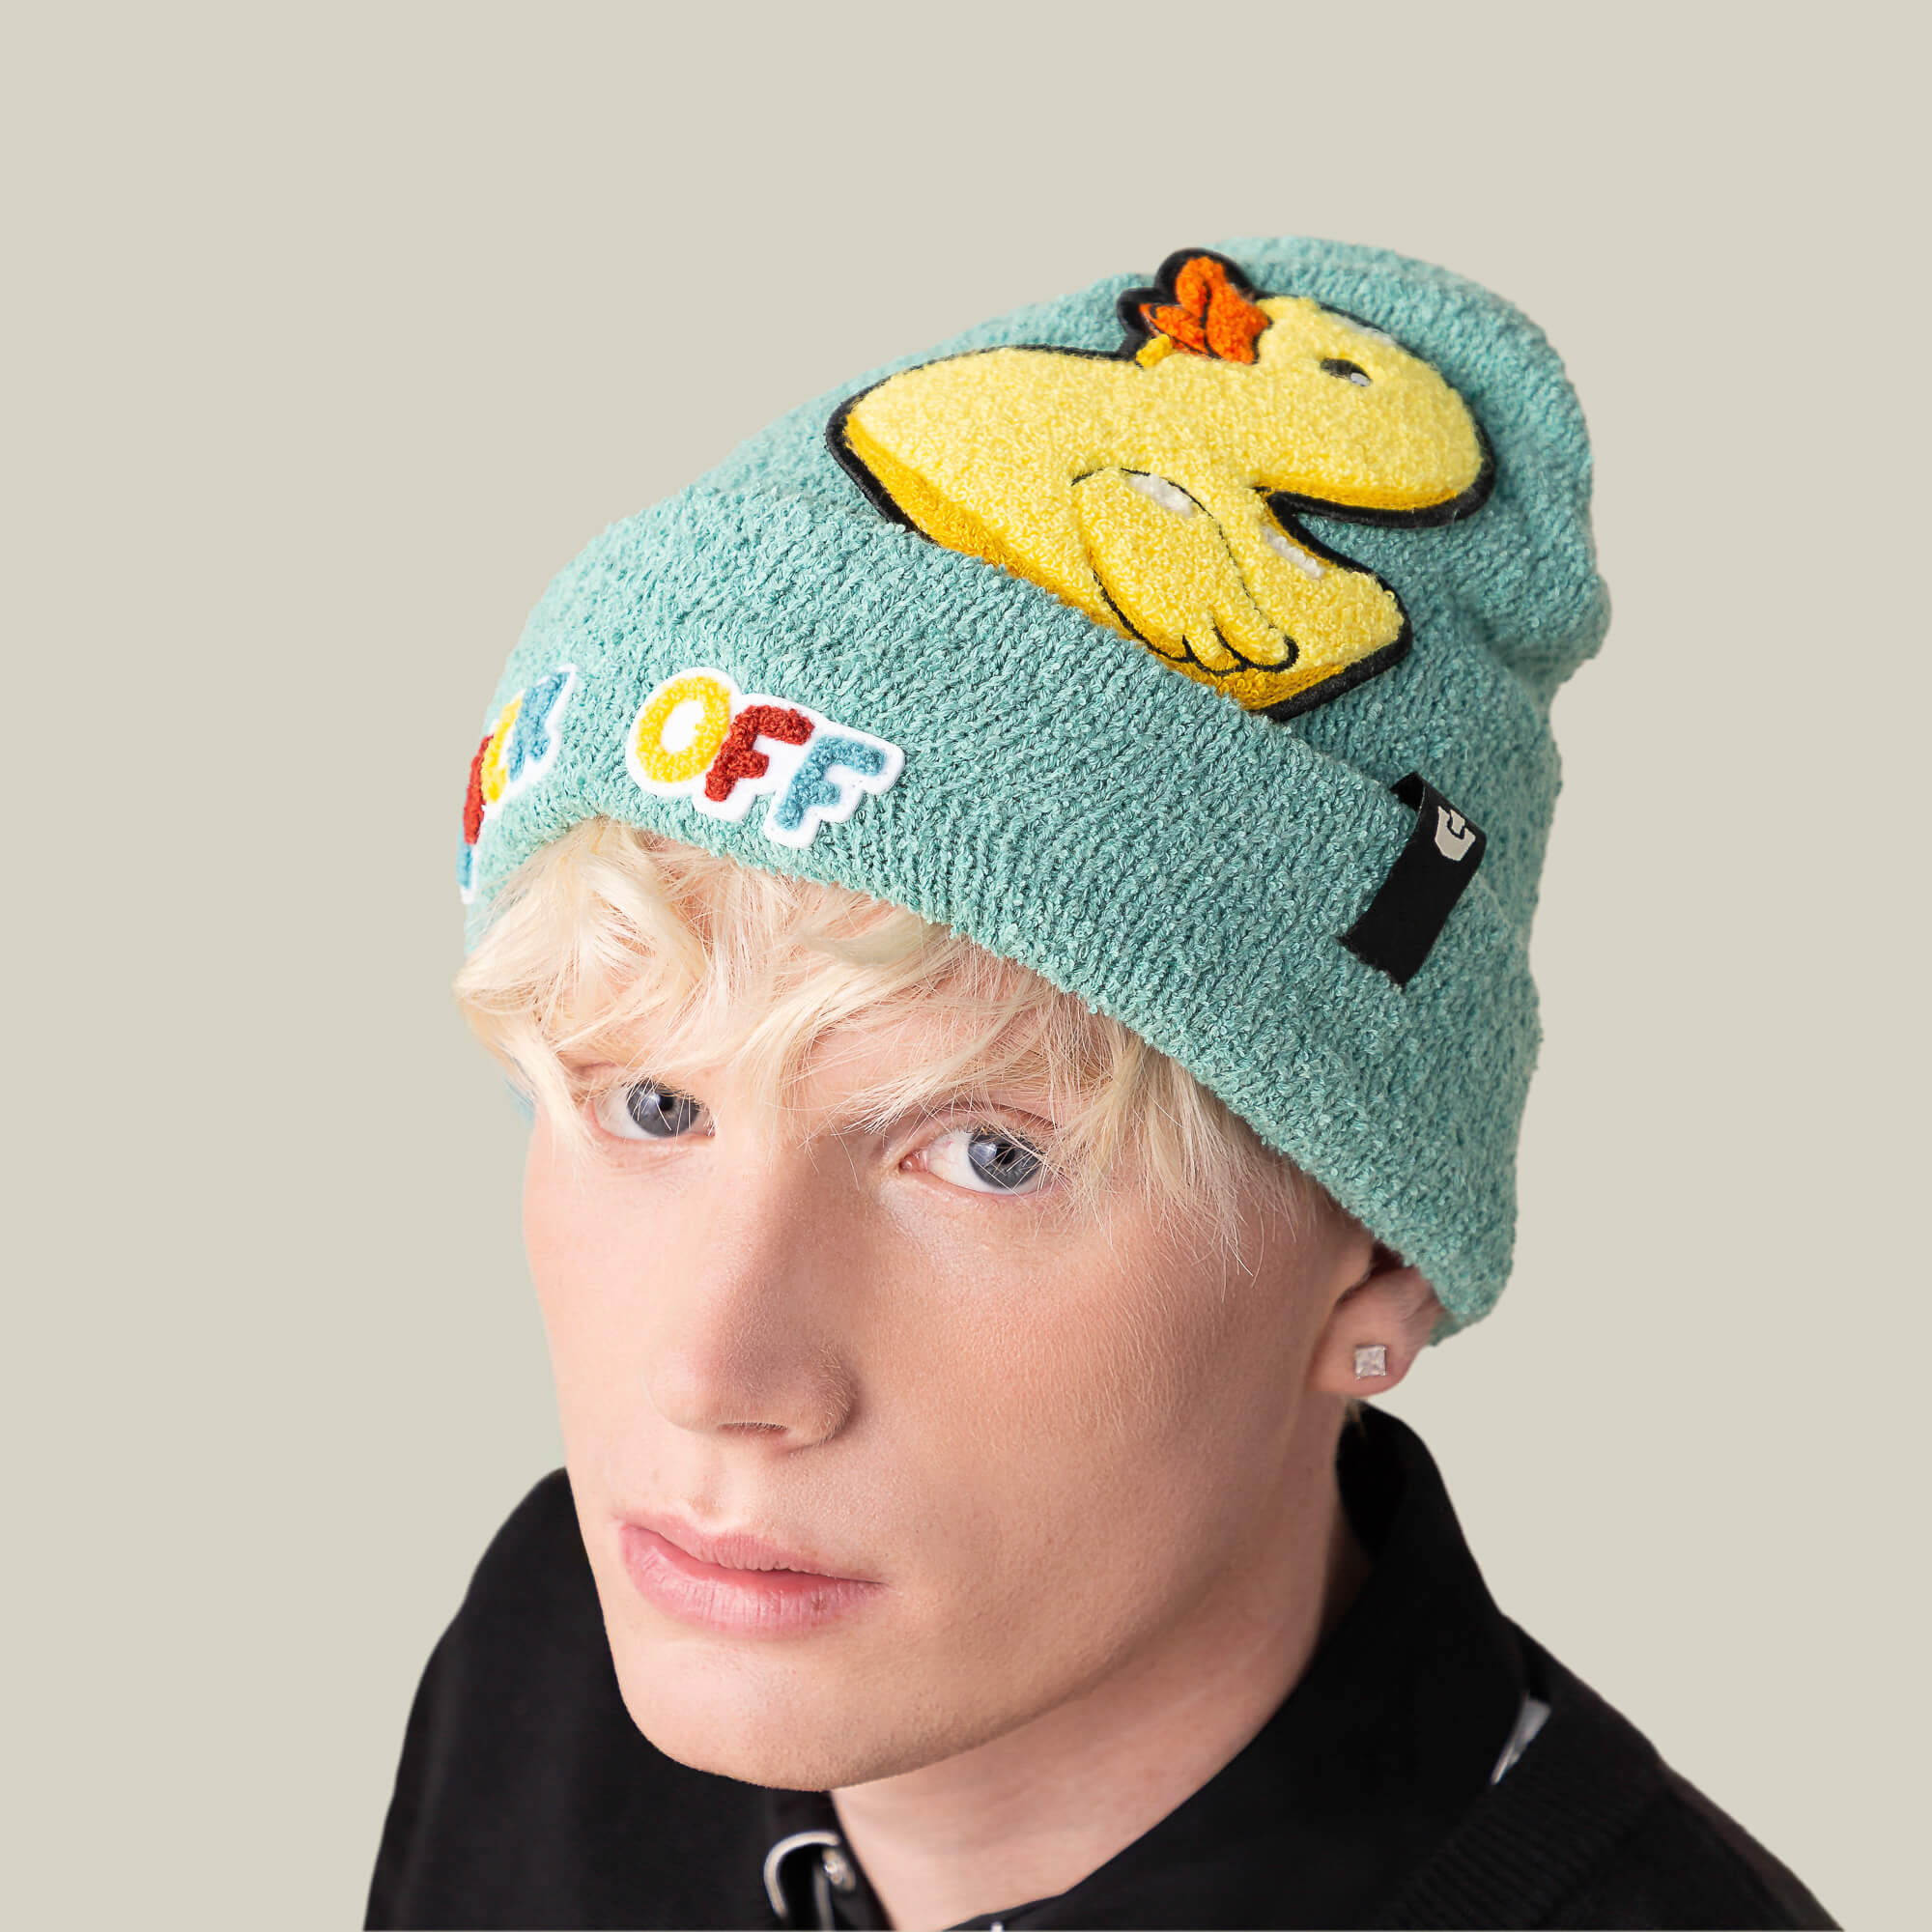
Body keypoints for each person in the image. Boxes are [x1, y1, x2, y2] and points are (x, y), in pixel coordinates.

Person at [367, 242, 1833, 1929]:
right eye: (652, 1108)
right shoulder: (549, 1659)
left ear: (1375, 1262)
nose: (715, 1377)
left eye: (988, 1154)